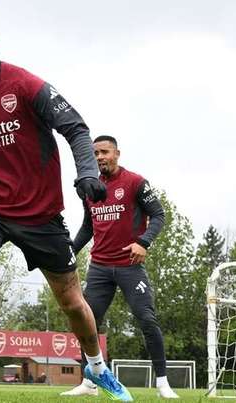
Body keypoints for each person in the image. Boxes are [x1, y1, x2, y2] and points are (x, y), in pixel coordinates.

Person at [0, 8, 131, 401]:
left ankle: (98, 367)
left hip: (39, 213)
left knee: (72, 302)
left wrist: (87, 172)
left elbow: (75, 127)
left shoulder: (25, 85)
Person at [61, 135, 178, 399]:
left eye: (104, 152)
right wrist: (69, 252)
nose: (100, 157)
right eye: (95, 153)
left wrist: (143, 242)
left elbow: (159, 214)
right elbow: (89, 225)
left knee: (147, 319)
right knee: (86, 321)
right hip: (99, 267)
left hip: (129, 266)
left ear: (117, 154)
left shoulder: (135, 182)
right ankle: (89, 383)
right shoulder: (91, 188)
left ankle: (162, 384)